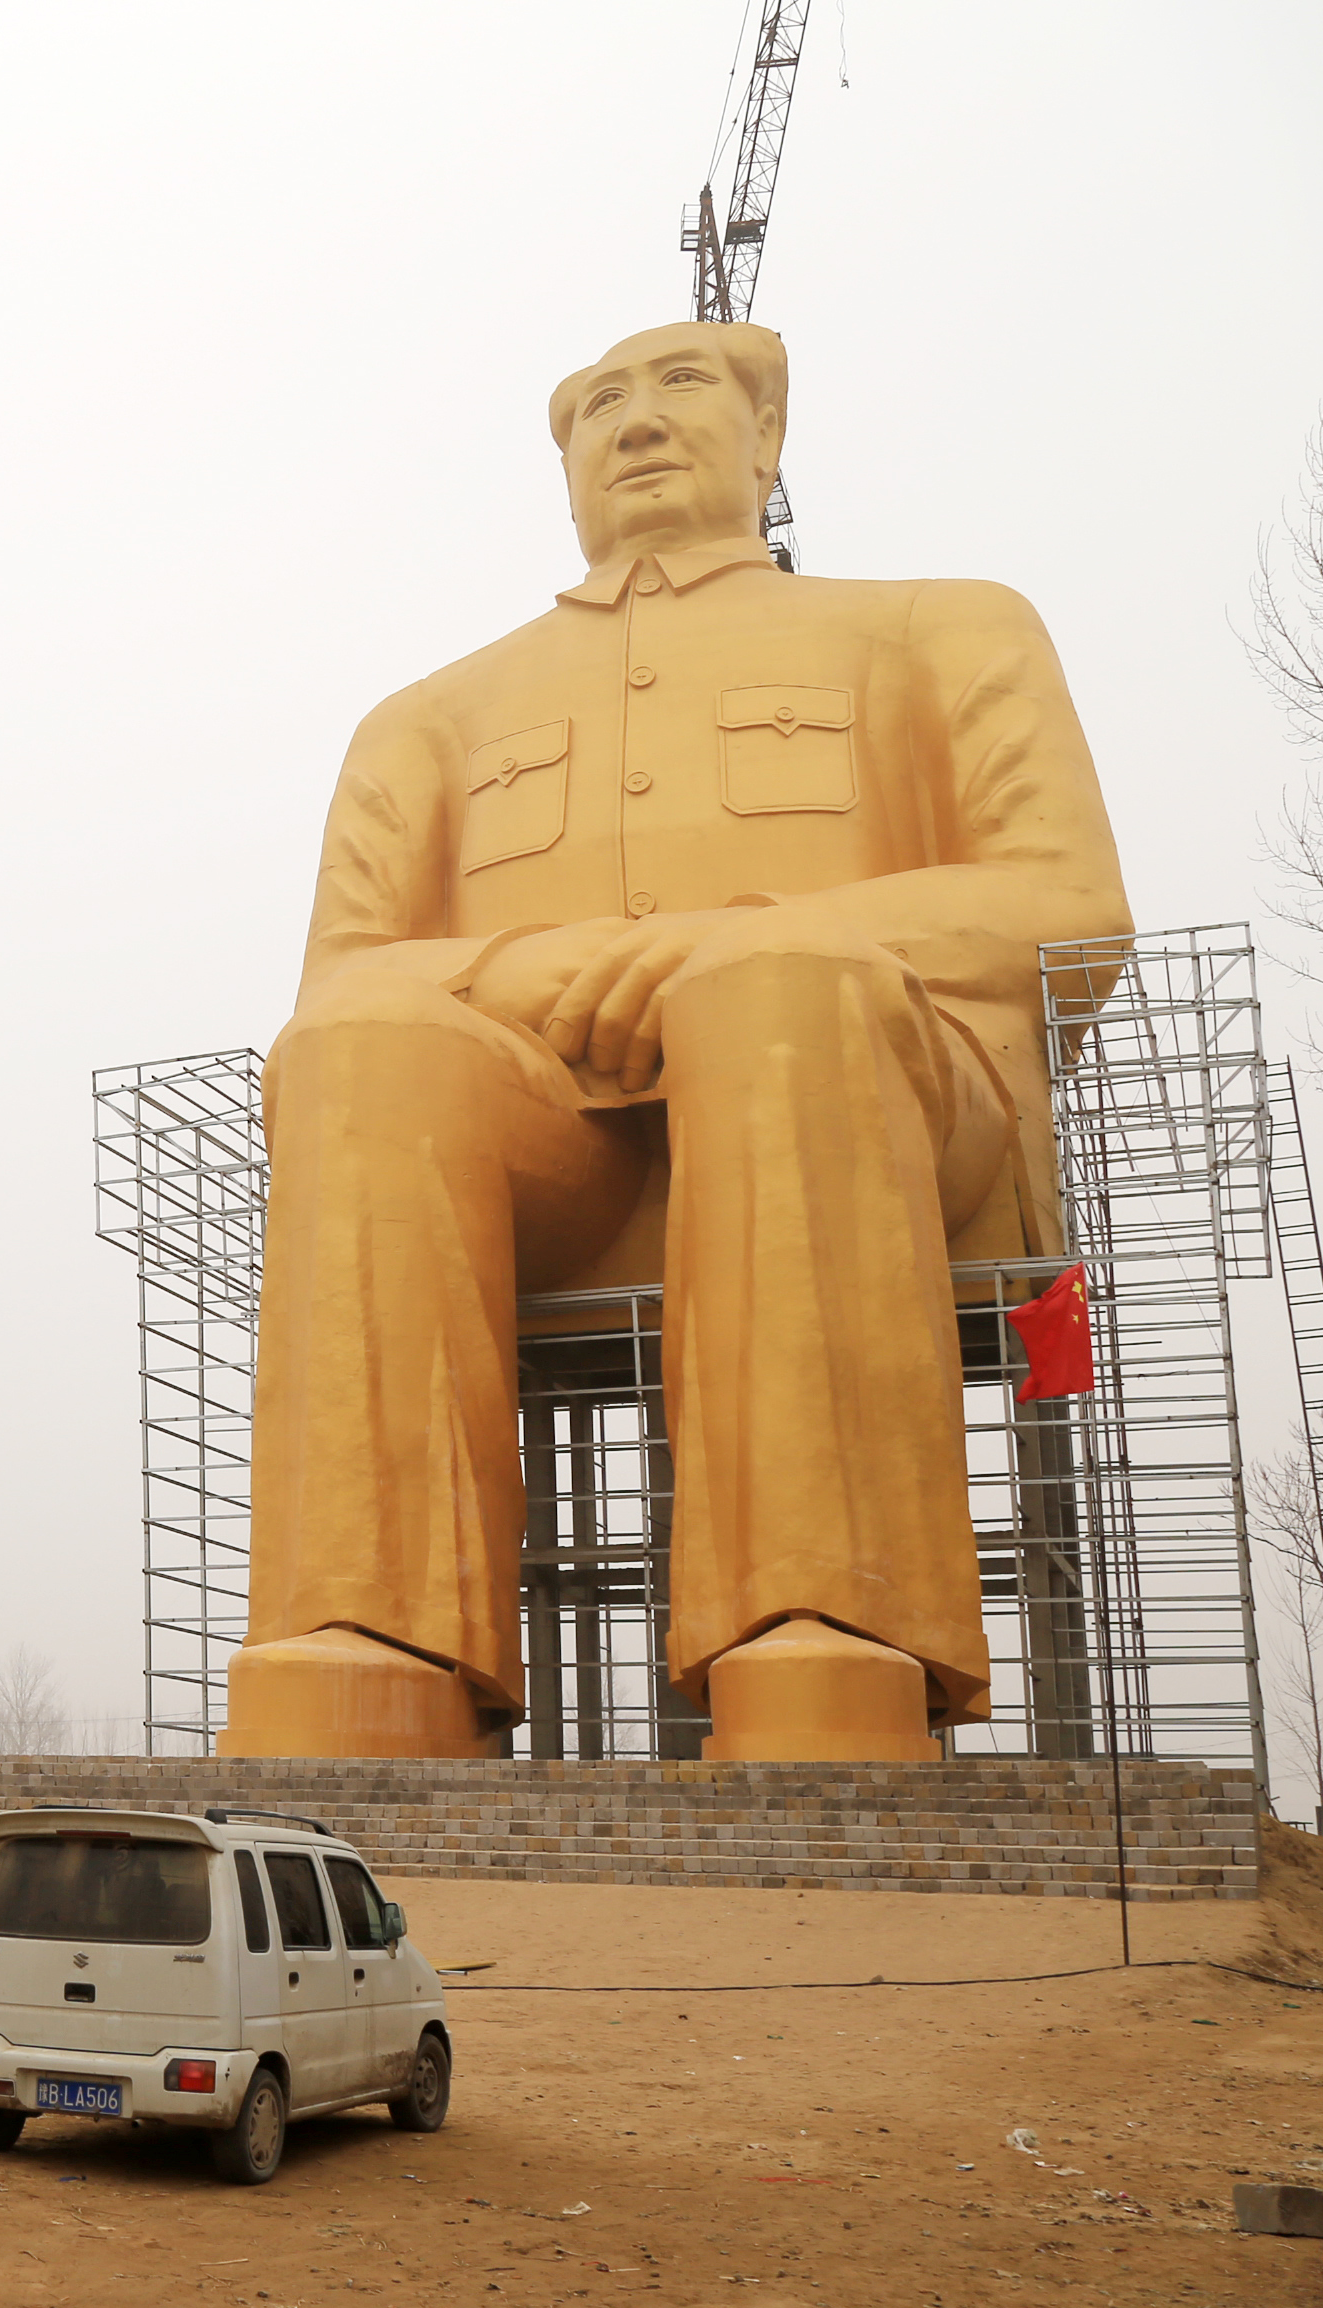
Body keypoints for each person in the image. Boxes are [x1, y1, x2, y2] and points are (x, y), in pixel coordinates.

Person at [227, 316, 1132, 1764]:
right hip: (560, 1158)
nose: (633, 423)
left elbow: (1069, 907)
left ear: (769, 442)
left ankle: (826, 1626)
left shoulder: (939, 626)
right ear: (565, 470)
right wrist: (542, 968)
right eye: (595, 407)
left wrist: (747, 940)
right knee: (364, 1054)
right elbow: (337, 985)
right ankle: (374, 1637)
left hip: (879, 1106)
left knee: (779, 986)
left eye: (682, 385)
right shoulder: (430, 720)